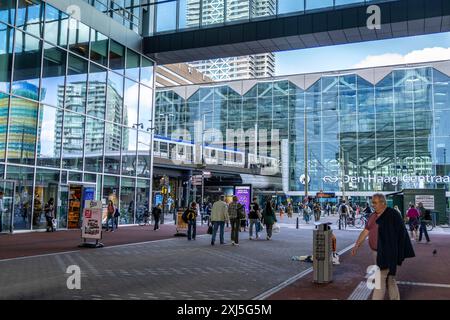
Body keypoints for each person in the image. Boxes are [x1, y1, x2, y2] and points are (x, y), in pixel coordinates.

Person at [352, 193, 414, 300]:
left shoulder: (393, 215)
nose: (373, 205)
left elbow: (401, 235)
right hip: (376, 252)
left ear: (383, 202)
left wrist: (396, 253)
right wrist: (357, 244)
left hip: (387, 252)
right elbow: (366, 231)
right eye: (373, 202)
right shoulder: (373, 216)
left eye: (375, 202)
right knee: (390, 278)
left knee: (380, 278)